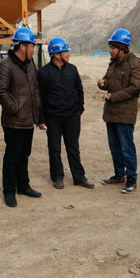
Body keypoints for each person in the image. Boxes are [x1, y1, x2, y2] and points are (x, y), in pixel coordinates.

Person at [0, 27, 45, 207]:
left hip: (28, 120)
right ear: (22, 46)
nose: (34, 50)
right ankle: (9, 191)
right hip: (13, 122)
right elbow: (0, 92)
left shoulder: (30, 64)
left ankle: (23, 186)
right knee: (12, 157)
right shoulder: (5, 65)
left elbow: (35, 89)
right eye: (32, 46)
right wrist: (15, 109)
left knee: (24, 155)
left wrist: (37, 116)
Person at [37, 37, 95, 190]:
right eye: (65, 51)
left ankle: (79, 177)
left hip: (72, 117)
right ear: (56, 54)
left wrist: (79, 109)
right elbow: (40, 98)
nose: (68, 54)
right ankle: (57, 177)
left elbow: (79, 90)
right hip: (53, 118)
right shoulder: (43, 73)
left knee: (73, 148)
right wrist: (41, 119)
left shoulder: (72, 69)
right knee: (54, 149)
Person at [97, 28, 140, 193]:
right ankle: (119, 175)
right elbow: (109, 81)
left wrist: (113, 96)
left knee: (127, 148)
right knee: (115, 147)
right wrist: (102, 83)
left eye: (113, 48)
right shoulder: (113, 63)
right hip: (111, 113)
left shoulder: (135, 64)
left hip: (125, 114)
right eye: (110, 47)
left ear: (122, 48)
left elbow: (135, 88)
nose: (110, 51)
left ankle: (131, 179)